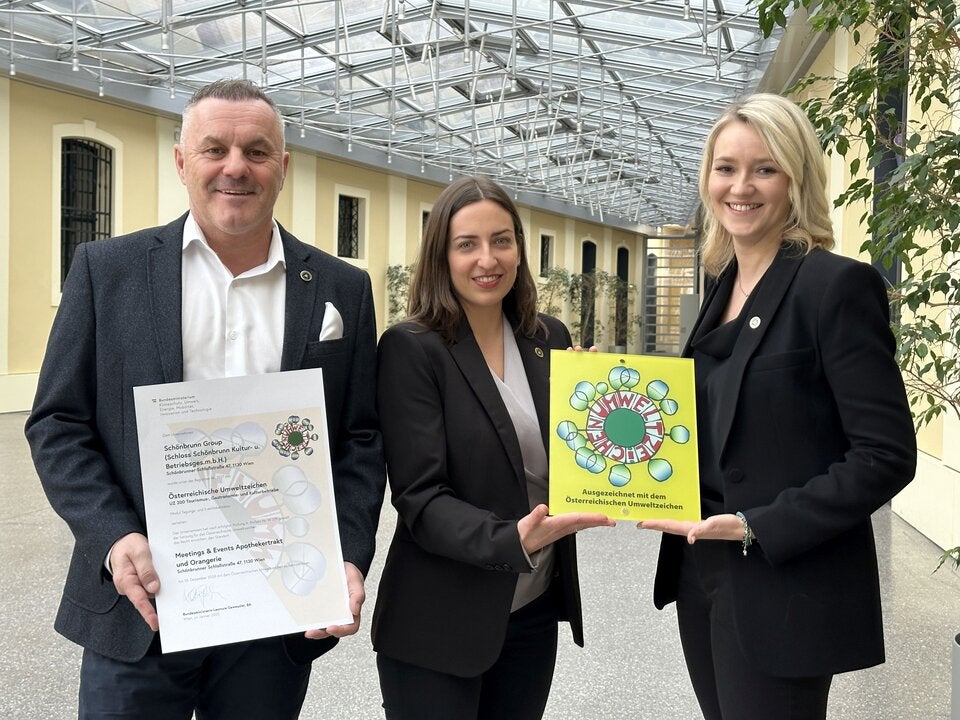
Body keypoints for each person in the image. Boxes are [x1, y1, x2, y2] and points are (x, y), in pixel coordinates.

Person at [24, 79, 386, 720]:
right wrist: (112, 535)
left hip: (274, 612)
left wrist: (348, 555)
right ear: (182, 161)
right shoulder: (107, 271)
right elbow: (57, 421)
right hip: (142, 604)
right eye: (214, 148)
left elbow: (360, 437)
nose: (235, 167)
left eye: (256, 151)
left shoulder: (341, 288)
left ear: (282, 165)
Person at [637, 93, 917, 719]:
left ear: (796, 179)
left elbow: (885, 455)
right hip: (700, 569)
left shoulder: (834, 286)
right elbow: (707, 418)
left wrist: (757, 525)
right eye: (726, 168)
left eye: (764, 169)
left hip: (784, 584)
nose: (741, 187)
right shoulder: (723, 285)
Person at [370, 176, 615, 719]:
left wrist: (599, 407)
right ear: (442, 256)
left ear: (519, 249)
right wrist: (510, 539)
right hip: (439, 623)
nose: (488, 259)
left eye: (502, 240)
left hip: (532, 609)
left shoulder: (548, 338)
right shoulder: (412, 349)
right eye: (467, 244)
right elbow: (420, 498)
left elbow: (571, 457)